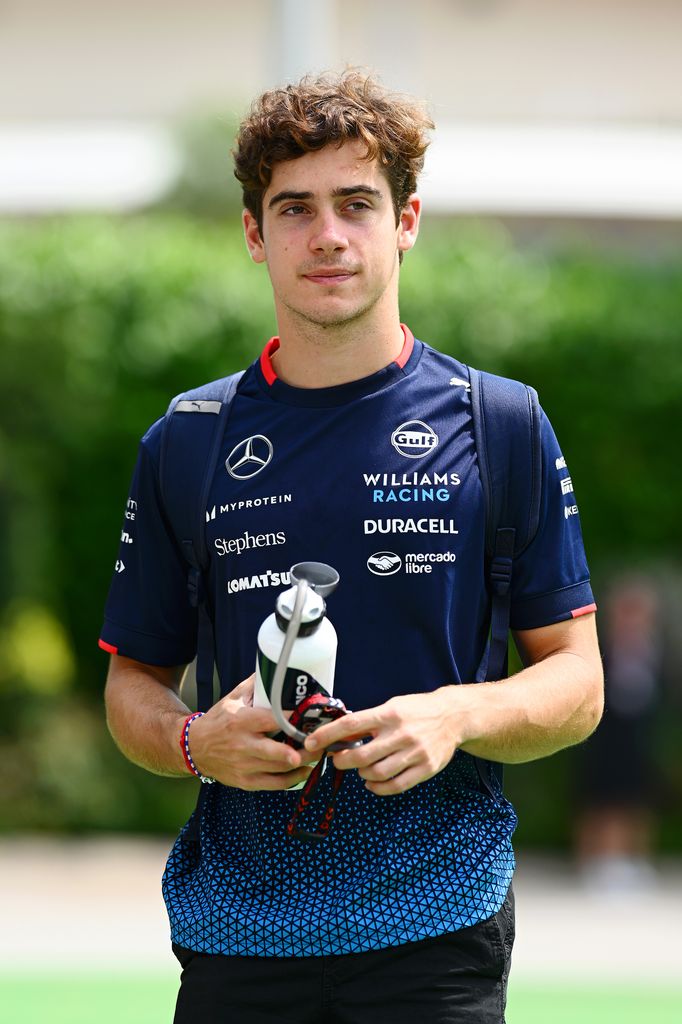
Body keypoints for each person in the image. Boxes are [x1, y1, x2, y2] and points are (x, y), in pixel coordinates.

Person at [100, 72, 603, 1024]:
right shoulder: (188, 441)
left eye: (357, 204)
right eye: (295, 208)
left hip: (437, 929)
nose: (328, 235)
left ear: (405, 220)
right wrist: (192, 741)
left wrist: (453, 716)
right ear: (255, 235)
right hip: (236, 934)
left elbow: (577, 686)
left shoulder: (499, 423)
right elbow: (133, 689)